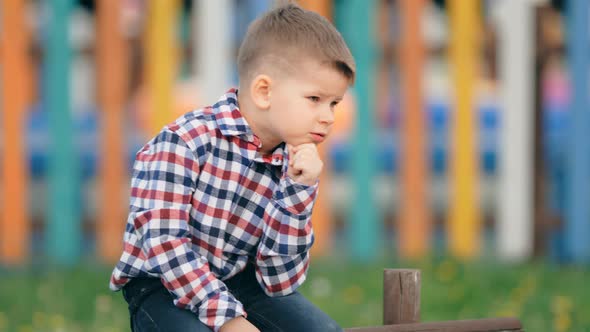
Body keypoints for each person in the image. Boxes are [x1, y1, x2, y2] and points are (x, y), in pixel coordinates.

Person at [109, 3, 355, 331]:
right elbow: (165, 244)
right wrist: (227, 319)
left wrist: (299, 191)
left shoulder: (293, 160)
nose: (328, 116)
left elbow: (279, 281)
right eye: (314, 99)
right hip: (161, 285)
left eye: (334, 103)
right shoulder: (185, 141)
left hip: (239, 281)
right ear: (264, 91)